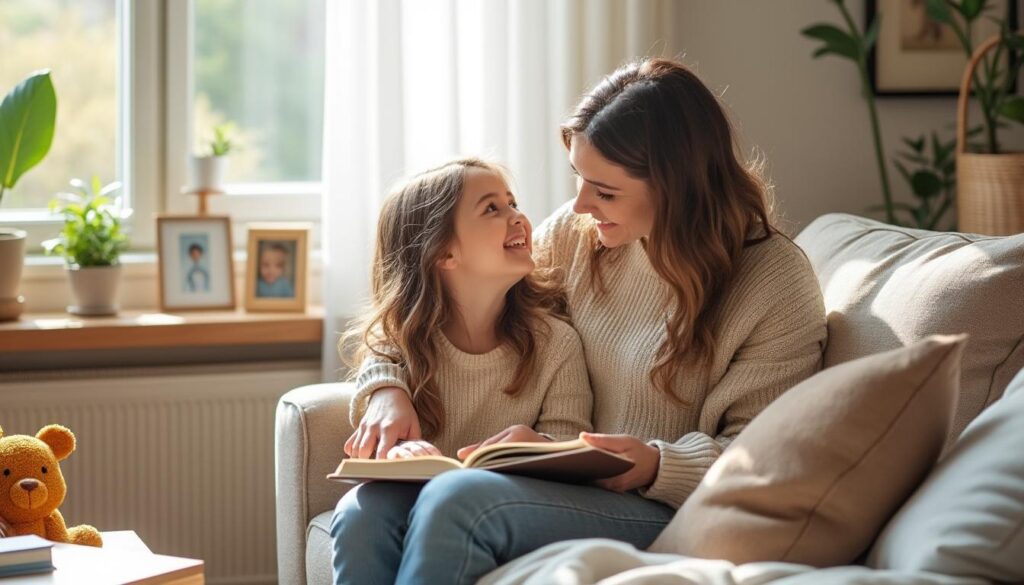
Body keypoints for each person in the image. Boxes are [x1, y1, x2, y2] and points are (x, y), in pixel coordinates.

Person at [339, 57, 828, 585]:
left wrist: (654, 463)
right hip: (561, 488)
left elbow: (763, 459)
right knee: (367, 513)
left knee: (460, 501)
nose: (579, 206)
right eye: (580, 179)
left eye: (606, 191)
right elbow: (425, 305)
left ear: (676, 187)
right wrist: (387, 387)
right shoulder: (581, 238)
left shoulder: (774, 283)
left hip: (665, 507)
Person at [331, 157, 593, 584]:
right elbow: (379, 357)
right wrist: (397, 447)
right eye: (492, 208)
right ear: (443, 252)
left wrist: (539, 446)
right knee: (359, 513)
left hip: (505, 507)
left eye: (512, 203)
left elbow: (571, 442)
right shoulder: (405, 342)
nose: (518, 217)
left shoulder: (556, 343)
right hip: (416, 496)